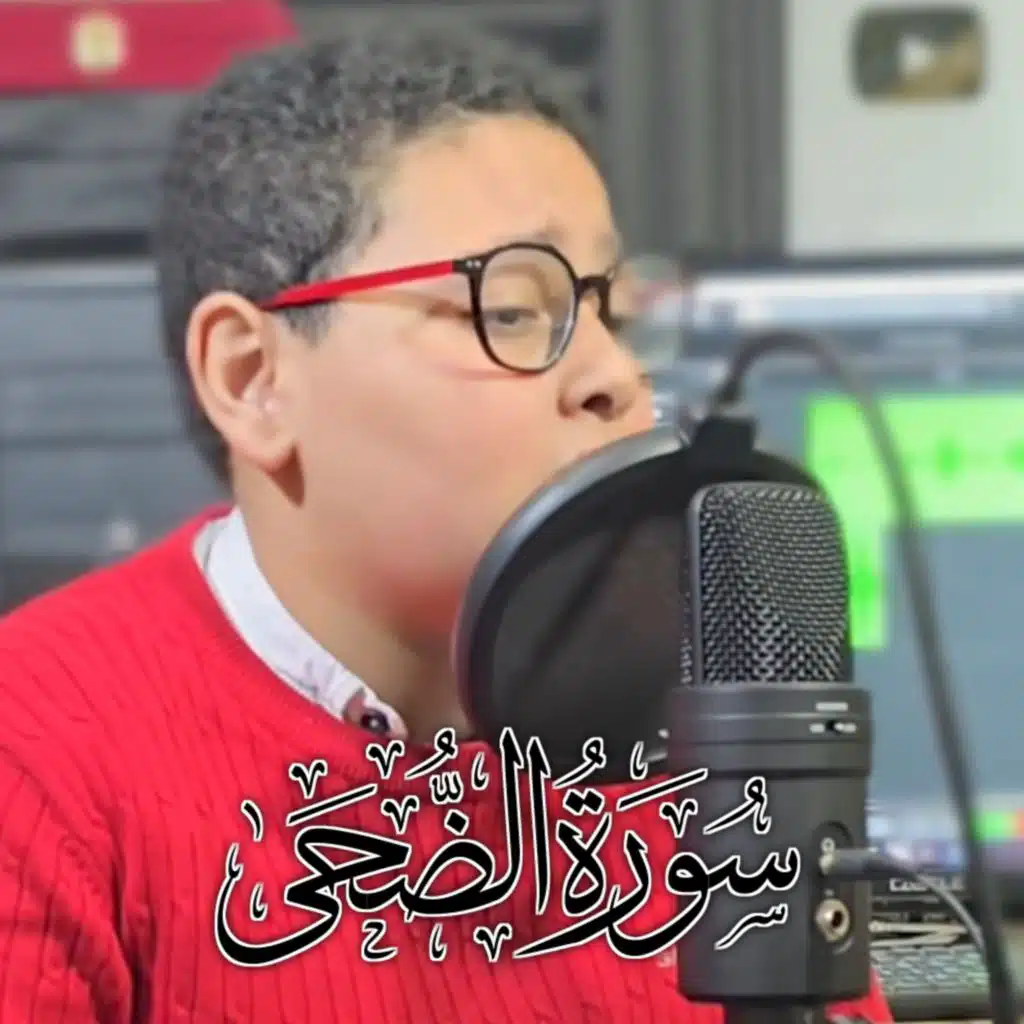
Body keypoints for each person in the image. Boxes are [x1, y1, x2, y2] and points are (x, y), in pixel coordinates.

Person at [0, 25, 893, 1024]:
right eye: (512, 311)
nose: (614, 377)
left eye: (612, 315)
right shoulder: (35, 760)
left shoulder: (696, 726)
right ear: (252, 379)